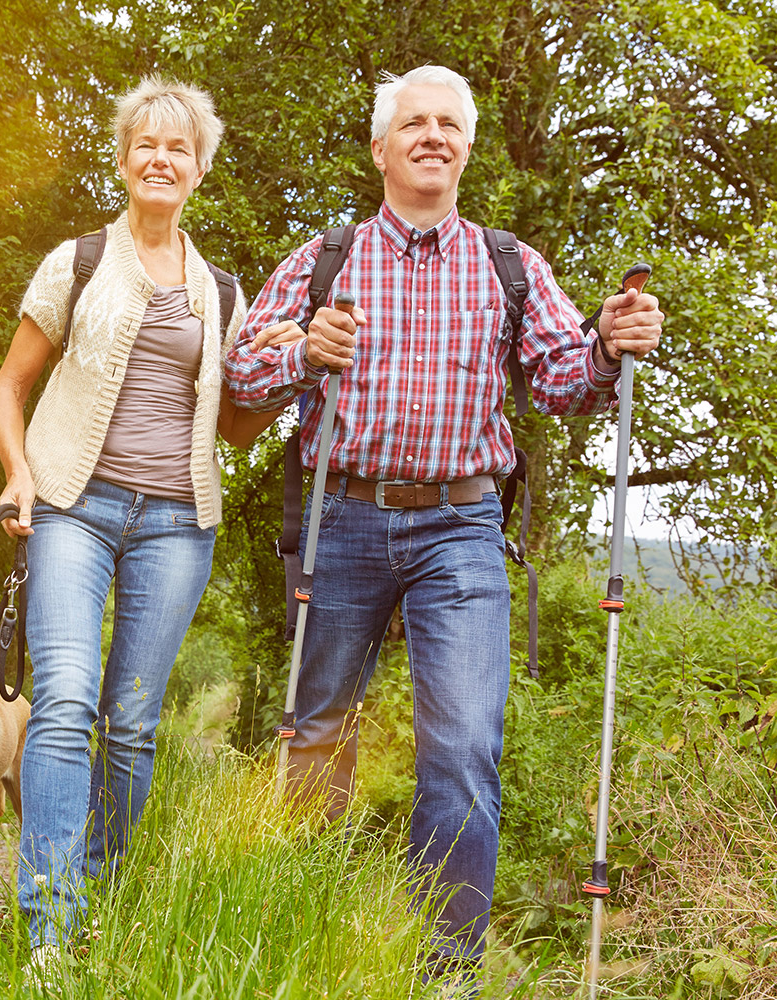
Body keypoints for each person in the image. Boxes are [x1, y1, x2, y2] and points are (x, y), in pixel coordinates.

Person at [223, 65, 663, 979]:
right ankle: (312, 940)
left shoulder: (508, 264)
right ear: (382, 148)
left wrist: (609, 342)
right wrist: (305, 352)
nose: (432, 135)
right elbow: (239, 379)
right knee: (315, 736)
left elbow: (564, 379)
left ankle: (444, 971)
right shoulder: (325, 260)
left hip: (462, 529)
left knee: (461, 747)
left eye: (448, 124)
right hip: (339, 517)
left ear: (465, 145)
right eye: (413, 123)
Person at [0, 76, 288, 971]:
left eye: (179, 149)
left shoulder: (224, 293)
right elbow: (8, 387)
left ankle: (98, 900)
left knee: (129, 721)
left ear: (199, 170)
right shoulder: (76, 261)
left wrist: (281, 379)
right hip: (74, 505)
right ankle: (48, 929)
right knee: (67, 699)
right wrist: (17, 478)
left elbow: (234, 427)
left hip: (177, 521)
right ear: (124, 162)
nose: (162, 160)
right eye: (147, 146)